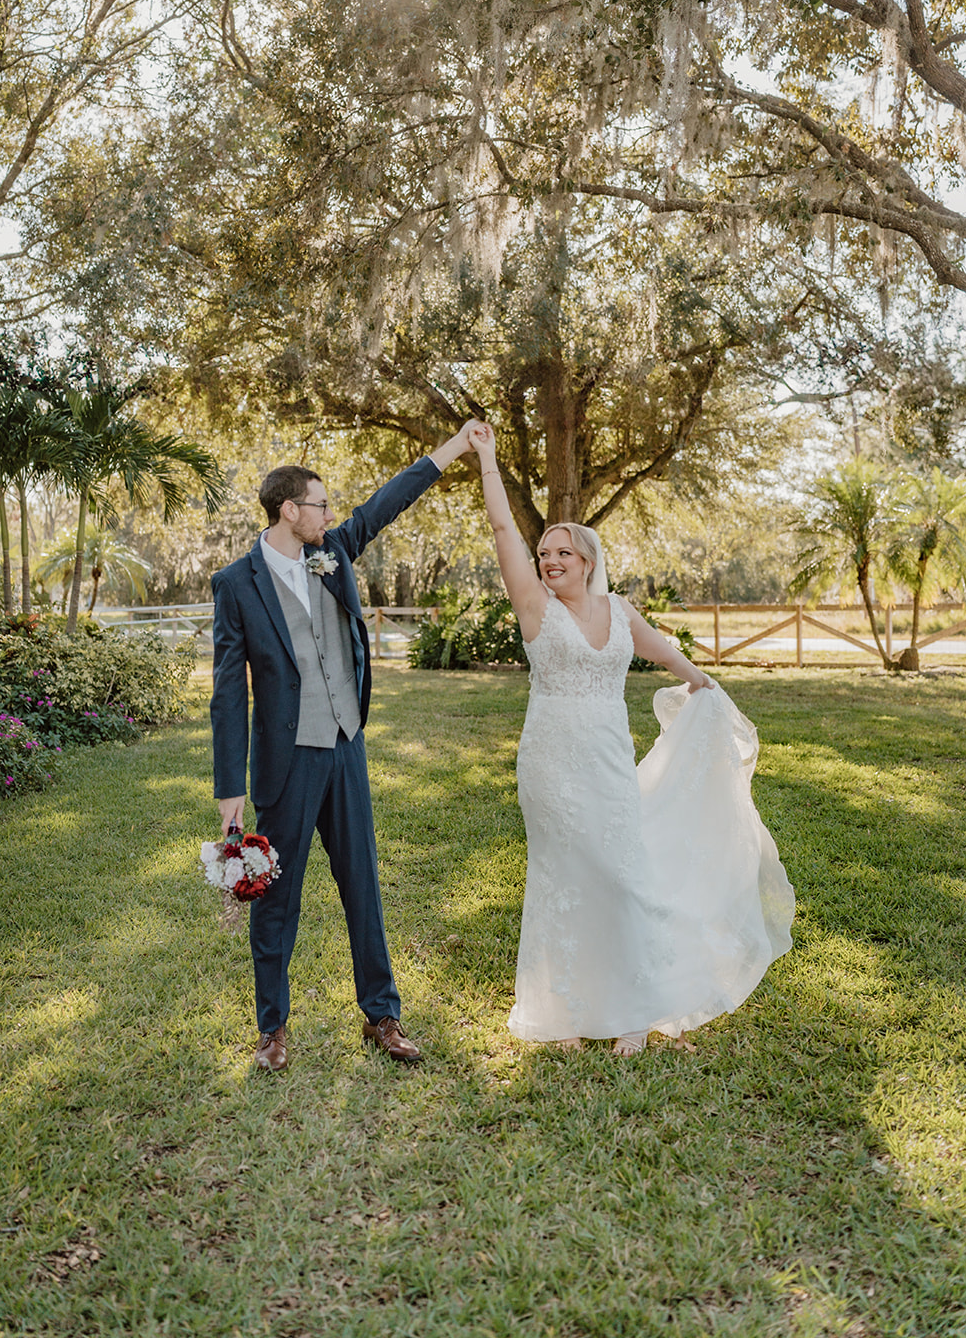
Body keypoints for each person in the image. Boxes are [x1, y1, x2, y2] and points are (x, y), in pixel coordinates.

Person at [466, 422, 794, 1054]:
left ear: (587, 561)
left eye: (562, 553)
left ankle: (631, 1011)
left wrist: (701, 682)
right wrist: (486, 458)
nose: (550, 560)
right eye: (544, 555)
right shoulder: (536, 609)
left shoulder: (619, 611)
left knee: (619, 874)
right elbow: (505, 530)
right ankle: (563, 1011)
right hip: (551, 761)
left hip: (608, 757)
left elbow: (662, 651)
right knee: (563, 875)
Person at [210, 425, 479, 1070]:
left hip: (345, 747)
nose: (332, 515)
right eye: (321, 505)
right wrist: (230, 793)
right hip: (287, 761)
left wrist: (454, 449)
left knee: (362, 884)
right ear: (289, 511)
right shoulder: (236, 584)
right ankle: (272, 1030)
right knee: (278, 894)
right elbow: (227, 693)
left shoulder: (330, 552)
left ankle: (381, 1016)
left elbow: (389, 502)